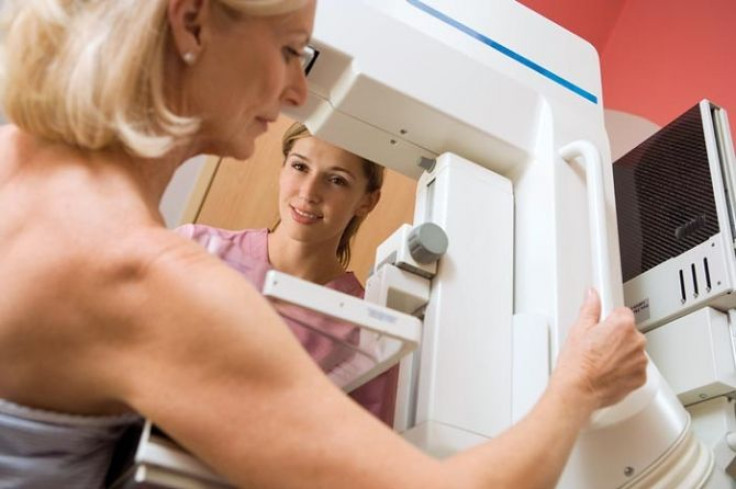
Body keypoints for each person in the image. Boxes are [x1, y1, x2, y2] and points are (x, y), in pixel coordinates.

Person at [0, 0, 648, 488]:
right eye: (289, 50)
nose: (298, 91)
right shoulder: (152, 281)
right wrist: (580, 386)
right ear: (192, 22)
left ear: (363, 199)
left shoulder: (13, 156)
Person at [176, 121, 399, 425]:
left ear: (367, 201)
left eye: (336, 180)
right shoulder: (196, 247)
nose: (308, 193)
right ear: (282, 169)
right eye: (299, 167)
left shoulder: (366, 332)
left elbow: (358, 450)